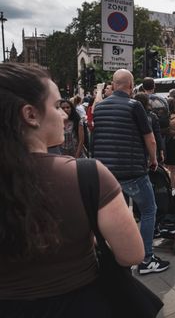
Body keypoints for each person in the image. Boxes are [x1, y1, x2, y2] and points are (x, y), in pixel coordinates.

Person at [0, 63, 144, 317]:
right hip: (79, 304)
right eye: (56, 106)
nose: (65, 115)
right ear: (30, 114)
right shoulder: (87, 175)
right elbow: (131, 254)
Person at [92, 69, 169, 275]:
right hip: (132, 170)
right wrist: (153, 160)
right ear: (130, 84)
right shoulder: (134, 106)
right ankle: (146, 259)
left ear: (113, 84)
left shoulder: (99, 107)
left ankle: (118, 255)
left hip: (105, 173)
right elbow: (150, 138)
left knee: (119, 214)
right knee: (148, 209)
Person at [134, 93, 165, 163]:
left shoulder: (131, 115)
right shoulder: (152, 116)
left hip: (135, 146)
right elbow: (157, 135)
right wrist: (161, 150)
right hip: (149, 147)